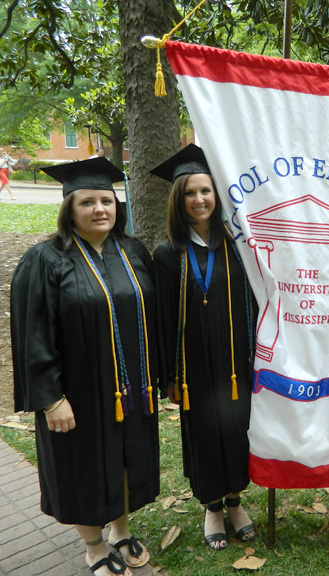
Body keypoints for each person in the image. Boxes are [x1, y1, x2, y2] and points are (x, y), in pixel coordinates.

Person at [11, 158, 158, 576]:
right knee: (85, 467)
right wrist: (51, 398)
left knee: (127, 459)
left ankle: (120, 530)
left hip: (130, 388)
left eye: (107, 201)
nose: (100, 209)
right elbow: (32, 333)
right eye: (87, 202)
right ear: (69, 209)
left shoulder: (132, 252)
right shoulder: (46, 260)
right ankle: (93, 546)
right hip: (77, 392)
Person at [152, 144, 257, 551]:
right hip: (193, 367)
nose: (199, 200)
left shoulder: (237, 246)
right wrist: (171, 376)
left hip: (235, 364)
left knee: (236, 429)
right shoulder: (167, 254)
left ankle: (235, 501)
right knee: (203, 435)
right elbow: (162, 321)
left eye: (206, 191)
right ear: (179, 201)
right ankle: (211, 506)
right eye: (191, 193)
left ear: (217, 196)